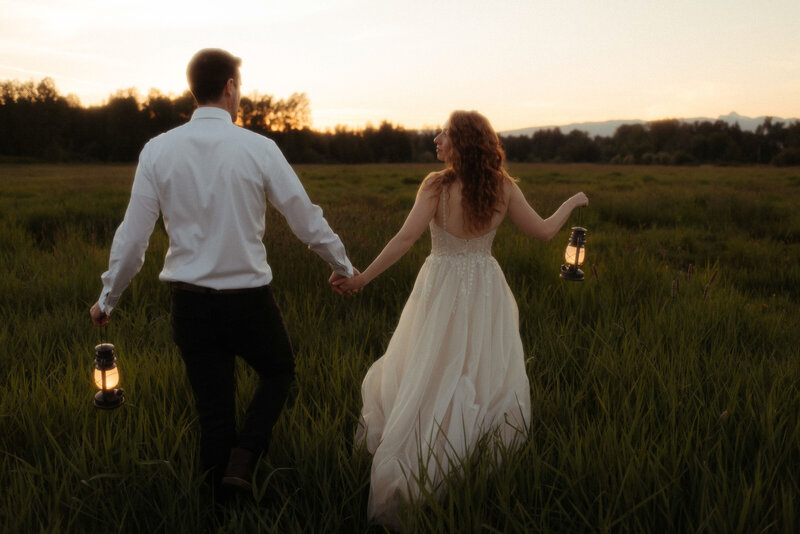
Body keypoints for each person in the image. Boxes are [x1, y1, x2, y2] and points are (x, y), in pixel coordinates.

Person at [89, 48, 355, 499]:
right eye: (240, 87)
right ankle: (245, 457)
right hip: (249, 299)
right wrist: (343, 266)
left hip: (190, 303)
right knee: (279, 371)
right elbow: (303, 217)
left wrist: (107, 299)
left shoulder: (158, 151)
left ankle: (218, 508)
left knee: (214, 411)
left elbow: (133, 238)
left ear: (195, 88)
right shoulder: (258, 148)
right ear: (230, 87)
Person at [333, 110, 588, 527]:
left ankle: (428, 455)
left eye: (445, 134)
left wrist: (362, 278)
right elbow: (544, 232)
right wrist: (573, 202)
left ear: (463, 142)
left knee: (431, 366)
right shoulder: (501, 186)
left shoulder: (437, 186)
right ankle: (465, 456)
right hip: (485, 287)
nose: (436, 138)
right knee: (476, 368)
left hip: (441, 284)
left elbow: (404, 239)